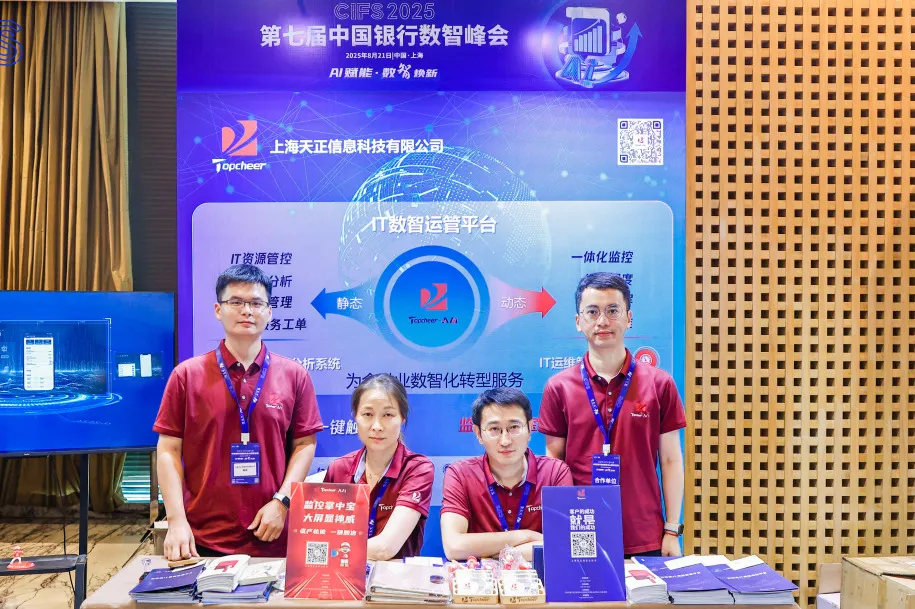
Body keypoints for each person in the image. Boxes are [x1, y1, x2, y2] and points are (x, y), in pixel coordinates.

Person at [153, 264, 323, 559]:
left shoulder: (294, 375)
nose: (247, 311)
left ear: (269, 312)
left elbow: (305, 444)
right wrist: (176, 520)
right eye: (236, 302)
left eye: (256, 303)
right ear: (218, 310)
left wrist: (282, 502)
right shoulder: (187, 375)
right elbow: (168, 449)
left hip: (273, 534)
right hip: (201, 538)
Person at [539, 272, 687, 558]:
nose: (602, 321)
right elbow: (554, 464)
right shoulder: (559, 387)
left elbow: (671, 459)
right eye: (592, 312)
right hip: (580, 531)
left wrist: (672, 530)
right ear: (578, 321)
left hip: (645, 533)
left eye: (612, 311)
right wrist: (558, 527)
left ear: (629, 318)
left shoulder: (660, 384)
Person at [441, 388, 572, 561]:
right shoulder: (460, 474)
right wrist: (525, 535)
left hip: (540, 576)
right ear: (479, 434)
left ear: (530, 428)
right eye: (494, 429)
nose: (505, 441)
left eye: (514, 427)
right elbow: (454, 547)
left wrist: (497, 553)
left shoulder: (555, 472)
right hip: (481, 577)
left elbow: (564, 543)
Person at [324, 374, 434, 560]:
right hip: (341, 572)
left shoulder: (417, 469)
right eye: (367, 414)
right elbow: (323, 533)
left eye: (388, 415)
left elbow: (385, 548)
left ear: (402, 419)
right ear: (355, 417)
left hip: (396, 576)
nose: (377, 426)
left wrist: (326, 550)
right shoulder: (338, 468)